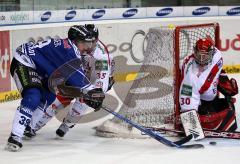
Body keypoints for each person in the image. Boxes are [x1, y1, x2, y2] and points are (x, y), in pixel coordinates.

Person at [5, 25, 105, 152]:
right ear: (75, 41)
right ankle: (15, 136)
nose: (87, 47)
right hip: (25, 61)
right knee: (33, 96)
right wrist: (91, 91)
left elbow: (70, 79)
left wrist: (87, 93)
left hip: (40, 68)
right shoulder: (69, 49)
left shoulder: (70, 48)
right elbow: (76, 75)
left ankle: (28, 127)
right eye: (84, 43)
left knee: (49, 95)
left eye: (88, 43)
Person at [23, 24, 115, 138]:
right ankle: (33, 126)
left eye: (93, 41)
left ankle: (67, 124)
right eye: (87, 41)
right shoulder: (78, 44)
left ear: (96, 39)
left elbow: (101, 82)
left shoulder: (101, 57)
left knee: (82, 101)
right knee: (56, 102)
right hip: (76, 75)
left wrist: (95, 95)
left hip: (94, 79)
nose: (89, 45)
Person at [179, 37, 238, 140]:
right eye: (199, 56)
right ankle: (191, 125)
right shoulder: (191, 72)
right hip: (198, 99)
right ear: (194, 52)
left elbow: (208, 79)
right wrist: (189, 115)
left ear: (211, 53)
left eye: (205, 56)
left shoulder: (217, 56)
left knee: (230, 89)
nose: (201, 60)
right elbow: (189, 93)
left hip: (209, 96)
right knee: (190, 93)